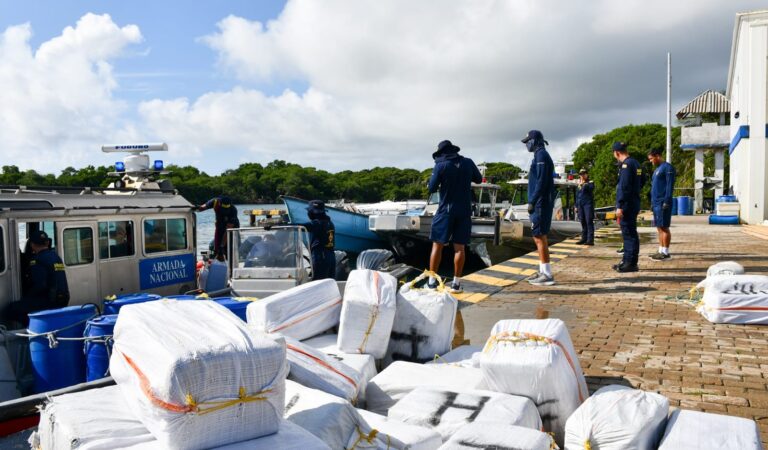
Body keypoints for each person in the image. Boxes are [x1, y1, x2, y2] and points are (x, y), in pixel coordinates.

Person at [427, 140, 482, 293]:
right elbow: (478, 179)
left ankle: (432, 283)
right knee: (460, 248)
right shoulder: (468, 162)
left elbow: (431, 188)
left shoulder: (440, 166)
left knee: (437, 245)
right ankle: (456, 284)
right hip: (464, 210)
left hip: (446, 210)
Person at [4, 230, 70, 326]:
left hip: (50, 301)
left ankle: (33, 328)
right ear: (47, 242)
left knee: (12, 309)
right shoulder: (55, 256)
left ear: (32, 245)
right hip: (63, 299)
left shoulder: (37, 260)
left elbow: (40, 285)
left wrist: (26, 297)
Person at [523, 130, 556, 286]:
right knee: (539, 236)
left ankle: (547, 275)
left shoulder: (542, 155)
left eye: (528, 141)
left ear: (534, 141)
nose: (526, 145)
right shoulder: (539, 155)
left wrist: (533, 201)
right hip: (539, 202)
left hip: (540, 203)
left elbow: (542, 181)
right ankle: (543, 270)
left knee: (539, 236)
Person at [612, 141, 642, 272]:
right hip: (633, 201)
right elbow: (642, 180)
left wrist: (620, 205)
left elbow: (623, 187)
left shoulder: (626, 165)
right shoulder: (635, 163)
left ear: (617, 153)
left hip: (626, 204)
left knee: (628, 233)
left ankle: (630, 262)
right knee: (630, 232)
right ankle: (627, 260)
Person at [647, 148, 676, 261]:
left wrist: (666, 201)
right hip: (656, 202)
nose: (650, 161)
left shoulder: (667, 168)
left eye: (651, 159)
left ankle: (666, 252)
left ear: (657, 156)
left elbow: (669, 186)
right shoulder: (657, 170)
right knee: (659, 227)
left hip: (663, 202)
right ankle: (660, 250)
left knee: (664, 227)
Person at [300, 200, 336, 280]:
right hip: (331, 257)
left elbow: (299, 227)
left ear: (312, 213)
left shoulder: (317, 224)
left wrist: (279, 224)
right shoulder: (329, 223)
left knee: (317, 284)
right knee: (328, 284)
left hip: (320, 258)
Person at [575, 168, 595, 245]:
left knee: (589, 221)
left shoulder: (590, 182)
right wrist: (576, 206)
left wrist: (583, 184)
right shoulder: (579, 184)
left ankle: (590, 240)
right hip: (580, 205)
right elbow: (577, 195)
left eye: (584, 174)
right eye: (581, 174)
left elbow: (590, 188)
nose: (582, 176)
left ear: (587, 174)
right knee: (582, 221)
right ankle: (584, 238)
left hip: (588, 204)